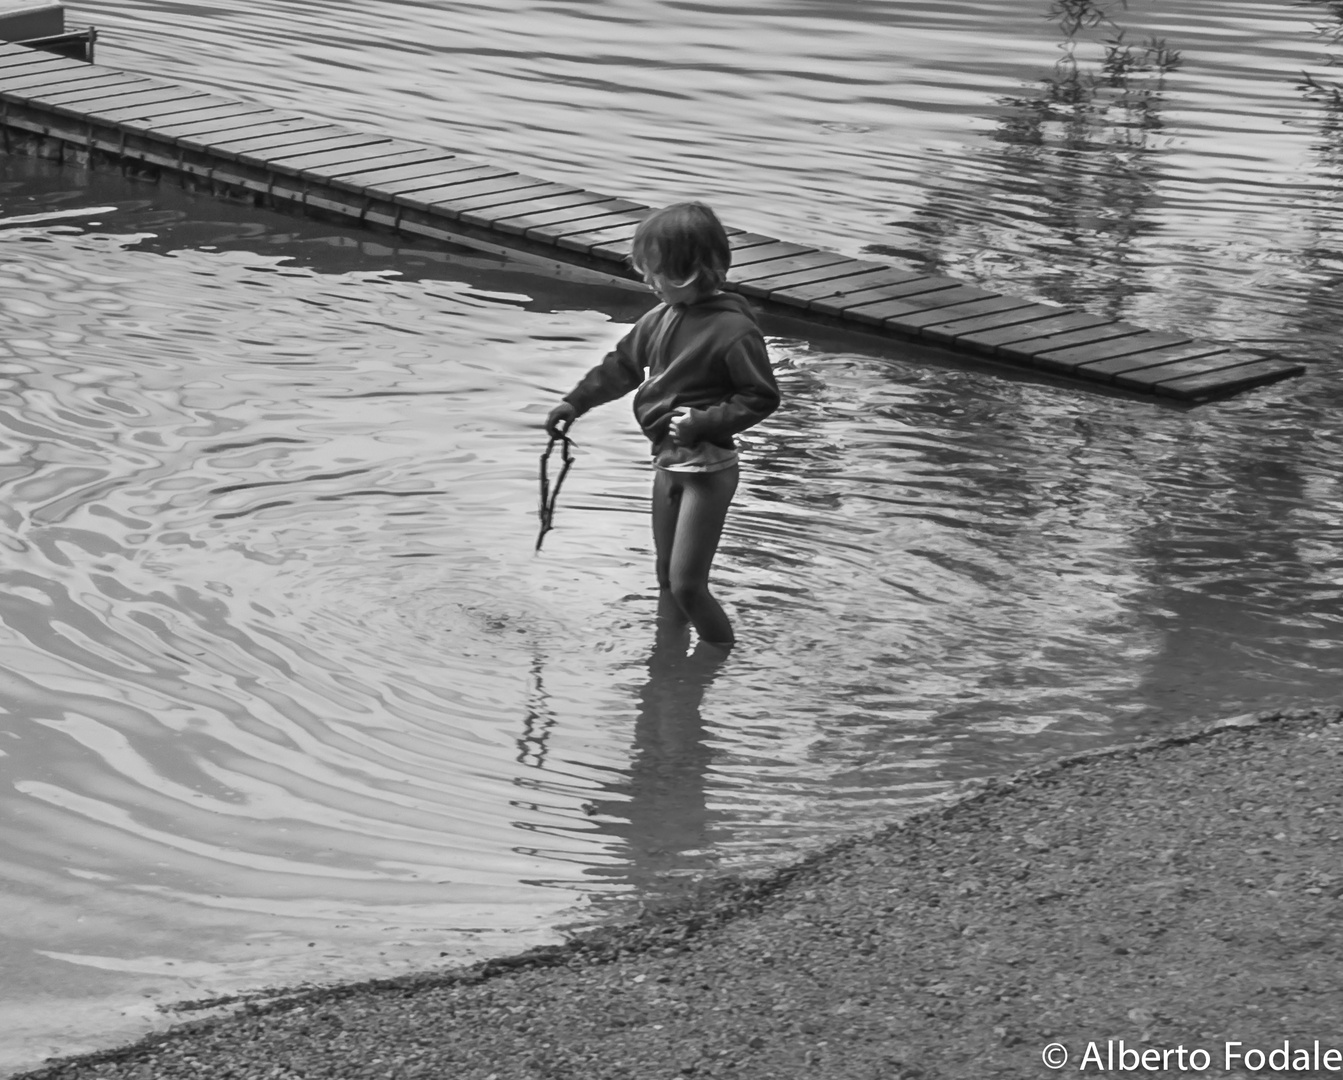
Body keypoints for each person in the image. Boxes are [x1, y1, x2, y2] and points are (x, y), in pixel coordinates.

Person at [545, 201, 780, 647]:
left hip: (708, 469)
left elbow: (761, 395)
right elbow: (621, 367)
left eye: (655, 272)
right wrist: (574, 404)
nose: (648, 282)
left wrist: (703, 422)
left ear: (688, 271)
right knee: (665, 577)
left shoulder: (734, 331)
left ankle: (720, 657)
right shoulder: (658, 319)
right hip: (668, 463)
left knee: (688, 584)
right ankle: (667, 669)